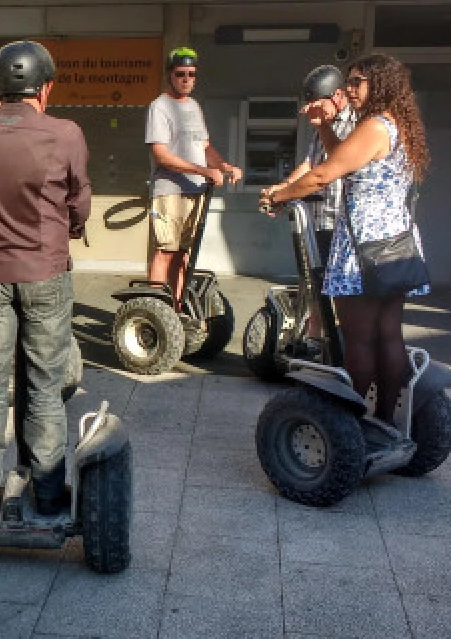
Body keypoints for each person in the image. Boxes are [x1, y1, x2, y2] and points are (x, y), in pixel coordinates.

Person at [0, 40, 92, 515]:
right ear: (45, 86)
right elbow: (79, 200)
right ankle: (48, 490)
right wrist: (68, 228)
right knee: (43, 383)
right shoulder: (66, 133)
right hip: (44, 271)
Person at [260, 53, 431, 426]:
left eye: (356, 82)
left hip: (362, 247)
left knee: (359, 340)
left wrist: (279, 195)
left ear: (379, 86)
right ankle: (387, 419)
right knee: (388, 334)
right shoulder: (396, 124)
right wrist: (324, 127)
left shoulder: (373, 127)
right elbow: (342, 156)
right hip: (395, 244)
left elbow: (324, 175)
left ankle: (353, 423)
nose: (349, 89)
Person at [261, 64, 358, 340]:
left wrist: (284, 194)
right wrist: (283, 187)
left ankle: (334, 343)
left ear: (338, 96)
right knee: (314, 282)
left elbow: (329, 170)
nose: (314, 111)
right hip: (318, 218)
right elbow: (310, 164)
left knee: (335, 287)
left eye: (319, 104)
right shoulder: (323, 127)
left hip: (340, 221)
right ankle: (315, 338)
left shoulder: (355, 125)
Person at [144, 46, 241, 301]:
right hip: (170, 192)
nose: (186, 79)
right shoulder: (160, 107)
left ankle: (176, 309)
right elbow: (161, 155)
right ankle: (156, 311)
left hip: (195, 191)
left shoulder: (195, 106)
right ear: (169, 75)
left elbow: (204, 146)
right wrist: (202, 170)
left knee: (183, 253)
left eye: (191, 74)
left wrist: (224, 166)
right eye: (180, 74)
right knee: (165, 250)